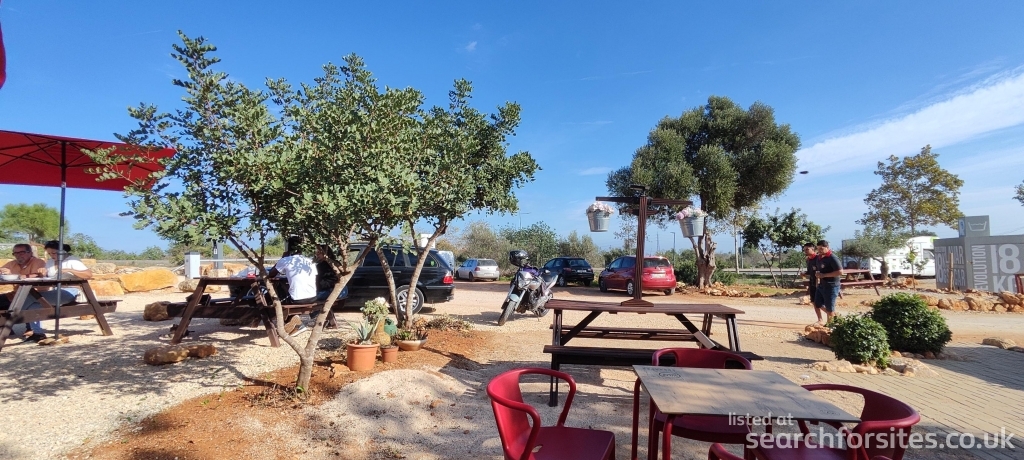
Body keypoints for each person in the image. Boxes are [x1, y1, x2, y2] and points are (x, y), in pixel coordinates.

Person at [19, 241, 93, 342]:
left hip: (70, 291)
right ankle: (38, 333)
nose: (52, 255)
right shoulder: (50, 262)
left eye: (54, 253)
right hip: (54, 291)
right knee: (34, 304)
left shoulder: (72, 261)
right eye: (49, 253)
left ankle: (11, 317)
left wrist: (70, 270)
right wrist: (42, 273)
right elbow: (48, 277)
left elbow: (88, 274)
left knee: (30, 297)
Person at [268, 237, 317, 336]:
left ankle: (296, 324)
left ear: (288, 248)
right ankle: (294, 323)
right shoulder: (310, 261)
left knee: (273, 298)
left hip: (297, 300)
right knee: (286, 292)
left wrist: (282, 258)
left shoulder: (286, 260)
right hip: (313, 297)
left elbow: (271, 274)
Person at [1, 244, 47, 309]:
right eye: (15, 253)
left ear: (30, 253)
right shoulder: (12, 263)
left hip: (34, 295)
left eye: (22, 252)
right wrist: (2, 271)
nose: (18, 255)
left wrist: (15, 275)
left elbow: (38, 274)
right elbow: (2, 270)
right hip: (15, 295)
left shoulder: (38, 262)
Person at [812, 239, 843, 324]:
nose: (819, 251)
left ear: (827, 247)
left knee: (829, 307)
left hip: (832, 286)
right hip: (822, 285)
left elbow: (840, 272)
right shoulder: (819, 258)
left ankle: (830, 325)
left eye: (821, 249)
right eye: (818, 249)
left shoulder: (833, 258)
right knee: (817, 303)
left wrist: (824, 275)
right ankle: (834, 316)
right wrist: (818, 275)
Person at [800, 242, 822, 324]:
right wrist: (805, 273)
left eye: (807, 249)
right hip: (812, 283)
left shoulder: (818, 258)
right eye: (804, 249)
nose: (805, 251)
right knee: (813, 301)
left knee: (821, 302)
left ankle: (831, 315)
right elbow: (810, 271)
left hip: (820, 283)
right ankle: (820, 319)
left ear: (813, 249)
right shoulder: (808, 260)